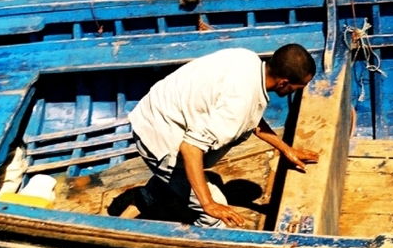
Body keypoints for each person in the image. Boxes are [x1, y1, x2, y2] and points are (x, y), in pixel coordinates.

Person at [120, 44, 319, 227]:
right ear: (284, 83)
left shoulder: (247, 59)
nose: (298, 91)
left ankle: (130, 215)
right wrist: (208, 203)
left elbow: (252, 117)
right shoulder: (238, 107)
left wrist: (286, 149)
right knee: (217, 218)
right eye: (299, 87)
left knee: (174, 182)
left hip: (156, 111)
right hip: (159, 136)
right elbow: (190, 148)